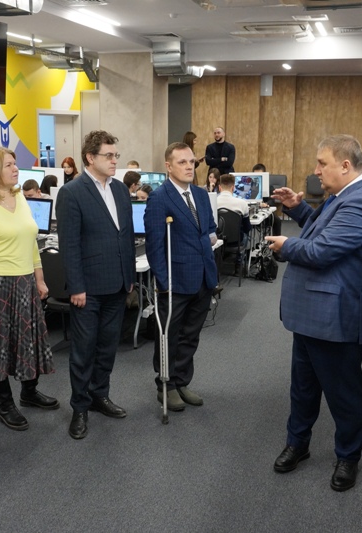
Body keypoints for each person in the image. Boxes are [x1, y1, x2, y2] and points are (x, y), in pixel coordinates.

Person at [264, 134, 362, 492]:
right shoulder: (342, 196)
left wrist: (286, 245)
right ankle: (297, 443)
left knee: (343, 395)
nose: (316, 171)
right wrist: (298, 208)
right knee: (302, 388)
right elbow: (322, 230)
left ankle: (348, 456)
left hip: (335, 319)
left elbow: (321, 251)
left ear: (345, 166)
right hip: (312, 314)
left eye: (322, 163)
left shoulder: (361, 203)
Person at [0, 146, 57, 432]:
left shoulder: (20, 197)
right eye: (9, 165)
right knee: (0, 347)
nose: (16, 169)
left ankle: (29, 392)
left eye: (15, 164)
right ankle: (5, 405)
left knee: (28, 341)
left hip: (25, 281)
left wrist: (39, 279)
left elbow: (31, 242)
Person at [56, 130, 136, 440]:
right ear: (90, 158)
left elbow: (126, 236)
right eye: (109, 155)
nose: (115, 161)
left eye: (116, 155)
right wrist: (76, 286)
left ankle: (100, 395)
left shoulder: (120, 190)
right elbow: (70, 245)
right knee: (83, 350)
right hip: (87, 289)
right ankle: (80, 407)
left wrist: (129, 275)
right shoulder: (72, 192)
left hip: (117, 283)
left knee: (107, 347)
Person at [145, 142, 218, 412]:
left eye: (192, 162)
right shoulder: (159, 198)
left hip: (202, 277)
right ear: (168, 166)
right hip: (175, 281)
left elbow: (209, 229)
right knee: (169, 335)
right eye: (182, 162)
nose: (189, 167)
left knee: (191, 335)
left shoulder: (200, 194)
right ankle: (165, 385)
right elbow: (154, 246)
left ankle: (182, 380)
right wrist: (163, 283)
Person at [217, 173, 251, 276]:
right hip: (236, 242)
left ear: (219, 187)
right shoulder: (242, 203)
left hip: (217, 241)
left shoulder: (211, 202)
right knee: (246, 235)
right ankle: (239, 263)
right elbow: (247, 228)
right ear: (233, 188)